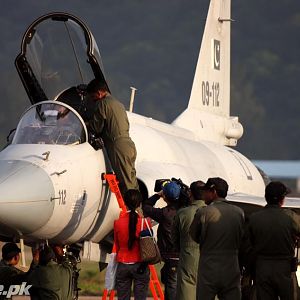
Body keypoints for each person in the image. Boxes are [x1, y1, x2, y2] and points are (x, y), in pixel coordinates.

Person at [190, 177, 245, 300]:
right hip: (232, 266)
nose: (204, 195)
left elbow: (194, 235)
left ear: (213, 192)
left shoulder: (203, 212)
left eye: (206, 191)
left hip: (209, 266)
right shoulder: (239, 212)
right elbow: (242, 238)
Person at [247, 181, 300, 300]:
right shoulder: (290, 217)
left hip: (262, 267)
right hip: (284, 268)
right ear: (282, 199)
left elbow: (249, 242)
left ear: (266, 197)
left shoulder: (254, 218)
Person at [86, 79, 139, 195]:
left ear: (99, 93)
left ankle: (136, 212)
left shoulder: (102, 103)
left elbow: (96, 127)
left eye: (93, 96)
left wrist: (85, 123)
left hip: (118, 147)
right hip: (129, 145)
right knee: (132, 183)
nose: (92, 99)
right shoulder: (118, 104)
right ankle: (139, 209)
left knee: (127, 187)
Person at [142, 181, 181, 300]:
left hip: (171, 256)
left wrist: (157, 195)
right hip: (184, 255)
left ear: (165, 196)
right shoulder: (185, 209)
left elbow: (146, 206)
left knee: (171, 284)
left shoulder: (164, 213)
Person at [172, 180, 206, 300]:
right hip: (209, 256)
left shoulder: (182, 213)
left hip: (188, 256)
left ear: (190, 193)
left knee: (186, 290)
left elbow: (175, 240)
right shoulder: (213, 211)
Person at [114, 189, 150, 300]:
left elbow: (117, 244)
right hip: (140, 264)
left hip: (123, 264)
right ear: (139, 204)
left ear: (124, 203)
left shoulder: (117, 222)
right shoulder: (145, 222)